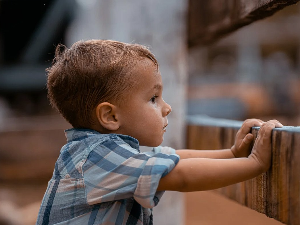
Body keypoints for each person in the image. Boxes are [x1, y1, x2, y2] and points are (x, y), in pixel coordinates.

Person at [36, 39, 283, 225]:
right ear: (110, 116)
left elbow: (176, 158)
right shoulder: (96, 158)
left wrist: (232, 154)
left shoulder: (107, 152)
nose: (167, 108)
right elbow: (181, 175)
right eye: (153, 98)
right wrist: (256, 163)